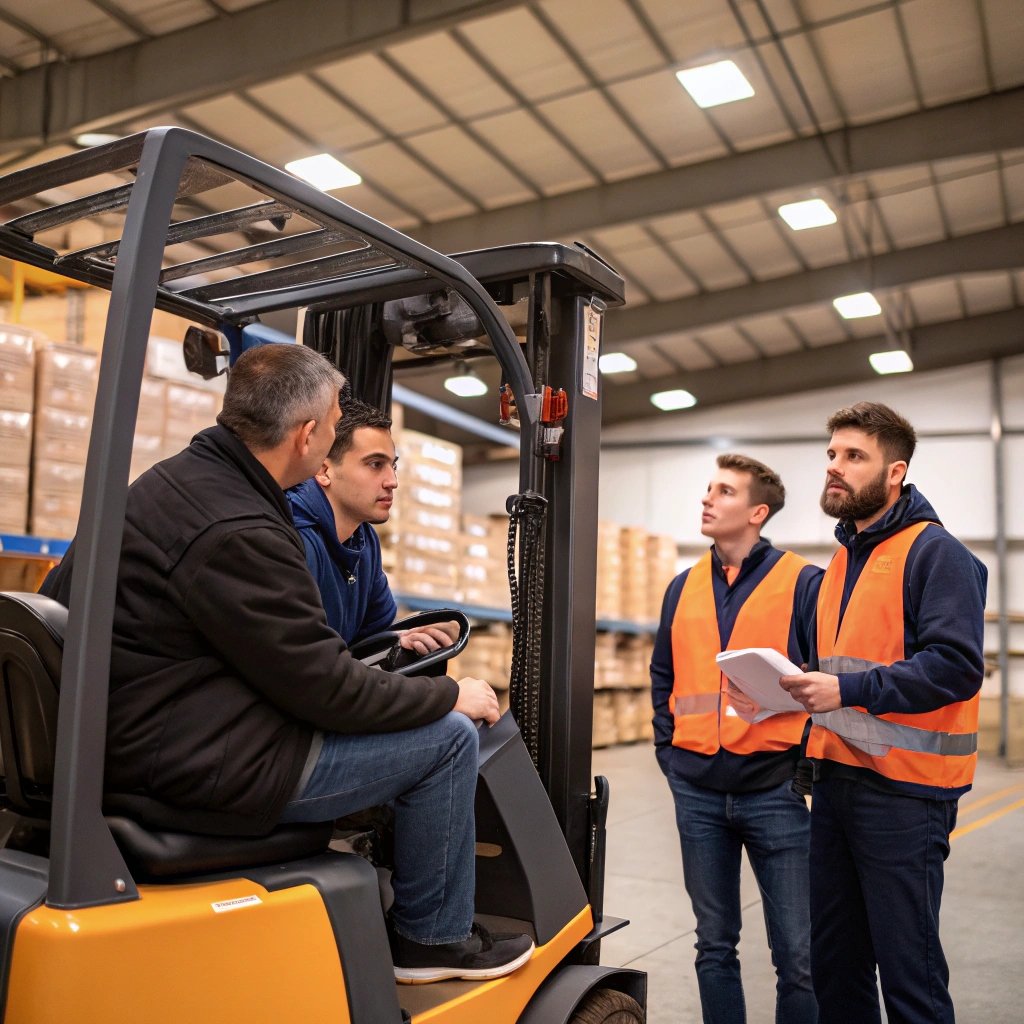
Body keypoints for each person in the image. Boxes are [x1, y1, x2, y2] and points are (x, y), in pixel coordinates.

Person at [39, 343, 533, 984]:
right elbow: (326, 691)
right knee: (447, 742)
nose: (332, 439)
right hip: (194, 765)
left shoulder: (173, 484)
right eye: (332, 426)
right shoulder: (245, 529)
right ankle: (431, 942)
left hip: (143, 738)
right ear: (306, 438)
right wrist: (449, 696)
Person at [780, 402, 986, 1024]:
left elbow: (955, 666)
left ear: (895, 473)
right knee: (836, 968)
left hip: (906, 795)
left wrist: (846, 692)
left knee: (909, 975)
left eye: (853, 457)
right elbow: (834, 665)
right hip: (837, 782)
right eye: (832, 455)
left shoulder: (935, 554)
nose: (835, 468)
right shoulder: (843, 560)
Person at [650, 453, 821, 1024]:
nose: (708, 499)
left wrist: (803, 771)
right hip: (697, 789)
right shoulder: (682, 587)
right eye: (708, 488)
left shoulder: (802, 582)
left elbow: (827, 678)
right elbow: (662, 676)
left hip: (775, 789)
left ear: (757, 512)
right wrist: (668, 753)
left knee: (798, 954)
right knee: (713, 946)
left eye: (724, 491)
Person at [286, 398, 457, 654]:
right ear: (324, 470)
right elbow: (305, 663)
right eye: (375, 464)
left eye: (393, 465)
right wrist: (438, 695)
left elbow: (372, 637)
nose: (393, 481)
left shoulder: (363, 541)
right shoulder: (294, 537)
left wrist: (399, 642)